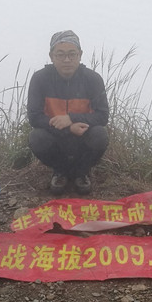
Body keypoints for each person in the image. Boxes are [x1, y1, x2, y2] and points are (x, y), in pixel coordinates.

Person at [27, 30, 109, 195]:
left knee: (100, 135)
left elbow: (102, 115)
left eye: (72, 54)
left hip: (83, 137)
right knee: (36, 137)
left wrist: (71, 118)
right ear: (51, 56)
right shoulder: (40, 79)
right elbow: (34, 117)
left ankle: (82, 172)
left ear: (80, 55)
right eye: (60, 54)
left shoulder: (93, 79)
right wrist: (67, 128)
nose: (67, 60)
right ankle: (60, 171)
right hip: (55, 137)